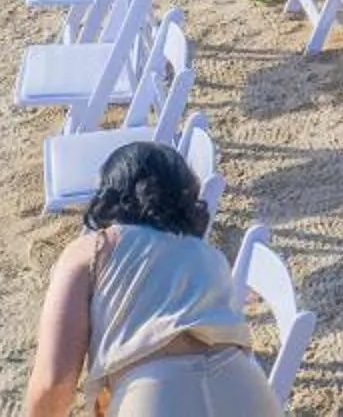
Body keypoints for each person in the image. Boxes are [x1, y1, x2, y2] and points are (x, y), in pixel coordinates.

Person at [23, 142, 278, 417]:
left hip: (154, 396)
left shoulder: (92, 249)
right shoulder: (211, 257)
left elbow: (54, 382)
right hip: (247, 391)